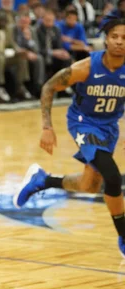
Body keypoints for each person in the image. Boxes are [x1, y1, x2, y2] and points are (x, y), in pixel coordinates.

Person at [13, 16, 125, 257]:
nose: (119, 42)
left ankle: (43, 180)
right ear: (105, 39)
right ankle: (124, 238)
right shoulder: (87, 67)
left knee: (90, 185)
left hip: (109, 128)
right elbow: (49, 87)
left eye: (124, 38)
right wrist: (47, 127)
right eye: (114, 37)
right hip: (83, 124)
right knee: (113, 177)